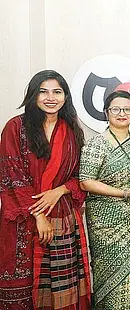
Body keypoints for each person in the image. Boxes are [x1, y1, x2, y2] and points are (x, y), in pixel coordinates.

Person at [0, 70, 91, 309]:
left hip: (63, 218)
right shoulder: (15, 127)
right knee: (25, 285)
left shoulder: (71, 131)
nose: (51, 97)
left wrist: (59, 190)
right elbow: (12, 175)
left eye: (57, 92)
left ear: (65, 97)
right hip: (24, 219)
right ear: (33, 95)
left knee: (62, 288)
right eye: (43, 91)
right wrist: (39, 215)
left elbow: (79, 177)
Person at [79, 91, 130, 309]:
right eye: (116, 109)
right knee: (110, 277)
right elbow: (85, 182)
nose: (122, 113)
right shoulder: (96, 144)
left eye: (127, 109)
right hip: (106, 225)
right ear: (107, 113)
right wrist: (123, 193)